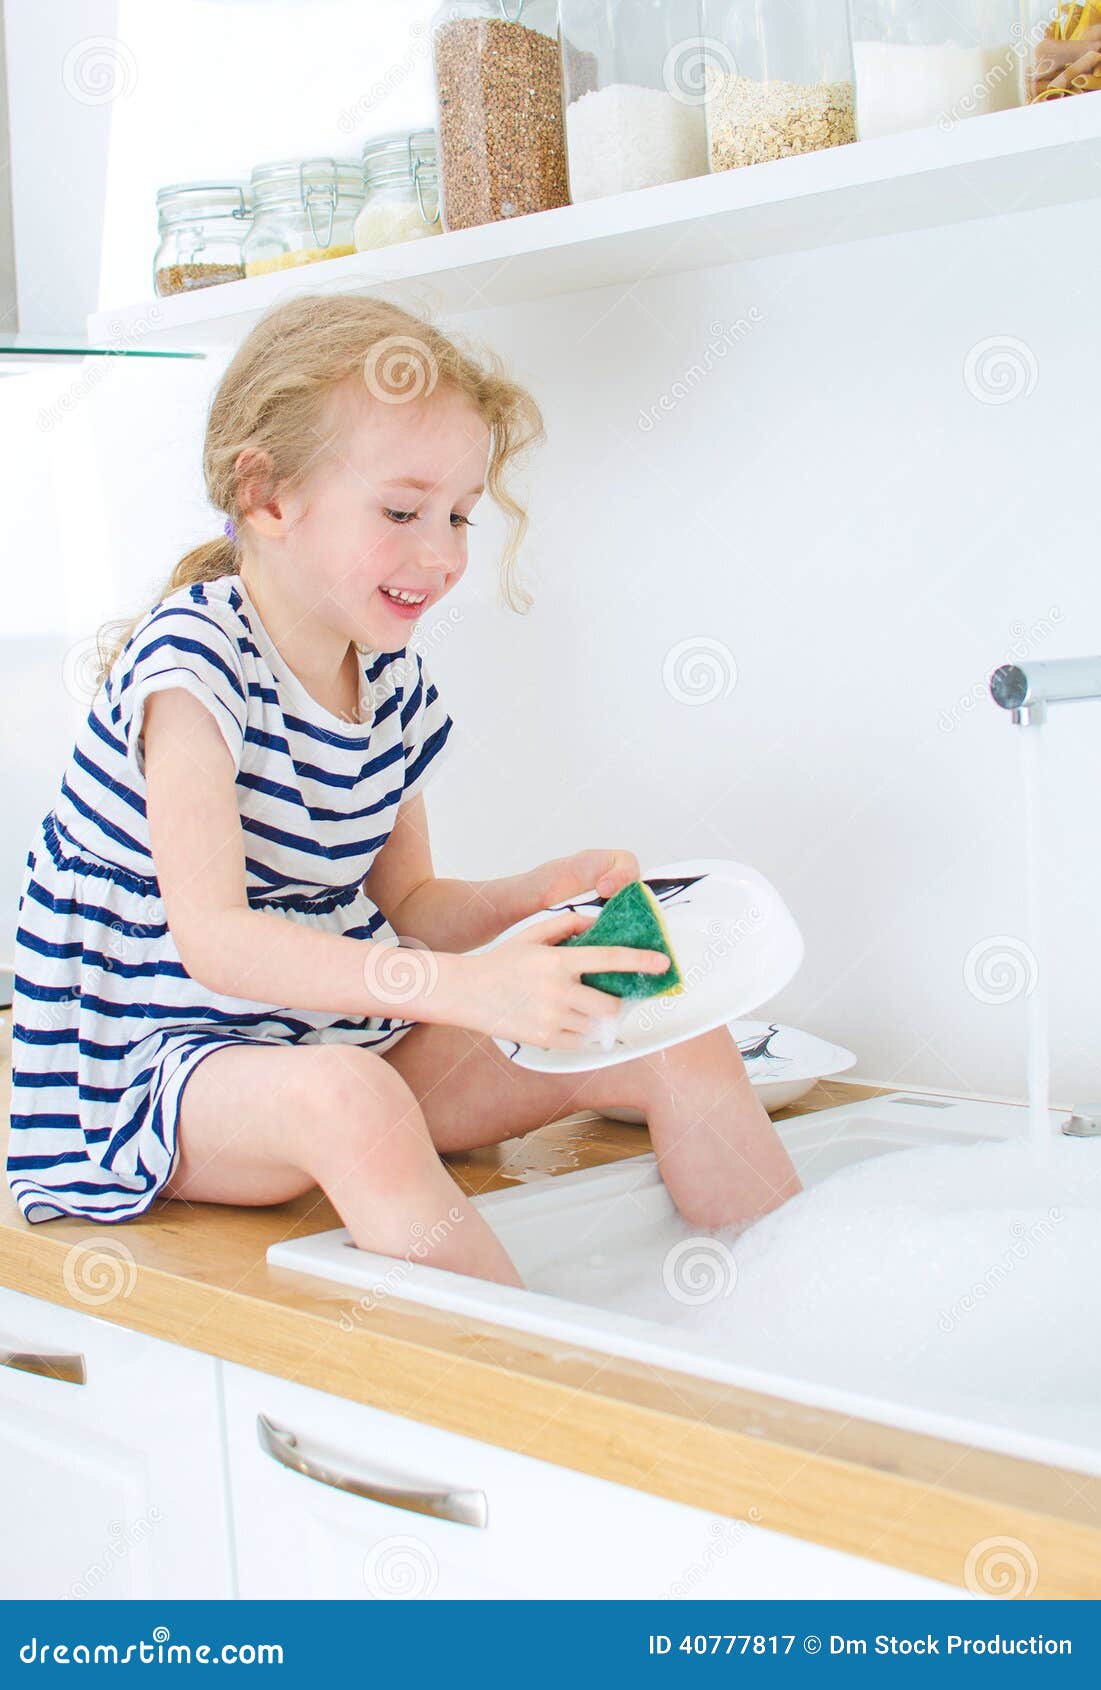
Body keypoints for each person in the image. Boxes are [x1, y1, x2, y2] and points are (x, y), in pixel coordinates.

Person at [8, 294, 800, 1284]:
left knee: (662, 1025)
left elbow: (411, 906)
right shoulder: (191, 665)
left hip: (332, 1043)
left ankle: (798, 1321)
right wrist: (466, 988)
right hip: (153, 1079)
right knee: (353, 1101)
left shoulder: (387, 678)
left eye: (460, 515)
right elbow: (216, 939)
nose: (443, 553)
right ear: (267, 496)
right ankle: (538, 1391)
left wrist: (532, 898)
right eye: (401, 511)